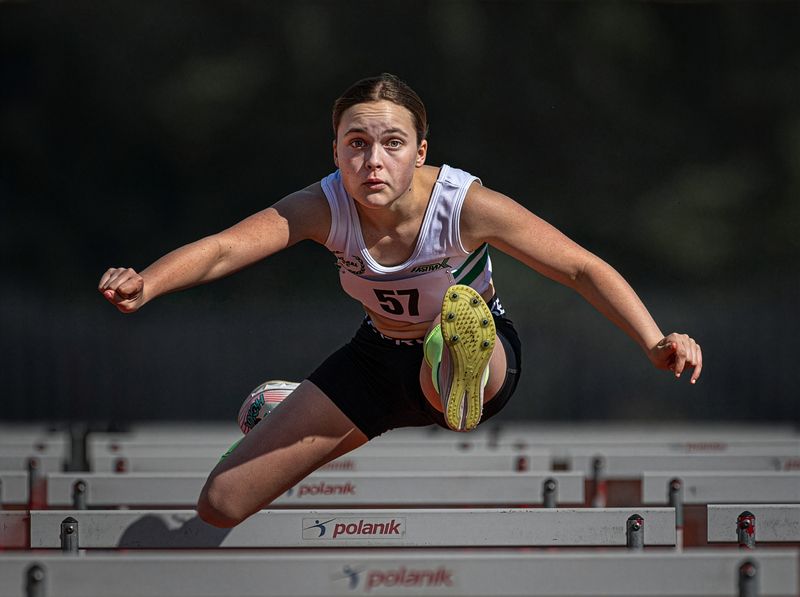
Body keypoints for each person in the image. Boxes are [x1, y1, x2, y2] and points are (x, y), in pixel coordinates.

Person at [98, 73, 703, 528]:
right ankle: (284, 411)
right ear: (335, 152)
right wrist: (148, 281)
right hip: (375, 359)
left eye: (391, 143)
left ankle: (454, 352)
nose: (373, 160)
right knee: (219, 506)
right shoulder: (323, 206)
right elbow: (225, 249)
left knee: (452, 359)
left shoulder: (465, 206)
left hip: (477, 361)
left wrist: (654, 340)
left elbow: (578, 267)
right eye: (356, 144)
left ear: (419, 151)